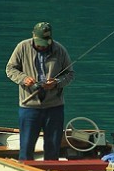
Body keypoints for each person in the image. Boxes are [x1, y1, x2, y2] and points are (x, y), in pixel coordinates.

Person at [5, 21, 74, 161]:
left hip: (54, 106)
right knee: (26, 147)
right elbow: (10, 69)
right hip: (29, 106)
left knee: (53, 148)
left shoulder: (60, 50)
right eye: (39, 42)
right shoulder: (22, 47)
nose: (42, 45)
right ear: (33, 36)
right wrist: (24, 79)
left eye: (45, 42)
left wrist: (56, 83)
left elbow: (70, 75)